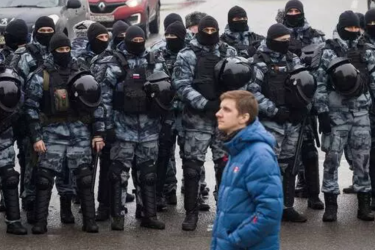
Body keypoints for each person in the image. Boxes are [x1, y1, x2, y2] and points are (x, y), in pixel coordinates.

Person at [25, 32, 105, 234]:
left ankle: (89, 221)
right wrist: (36, 137)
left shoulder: (81, 71)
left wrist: (98, 133)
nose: (65, 53)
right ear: (53, 51)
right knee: (44, 179)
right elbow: (31, 108)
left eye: (67, 49)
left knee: (85, 178)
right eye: (60, 50)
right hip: (52, 131)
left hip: (78, 130)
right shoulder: (41, 75)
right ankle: (41, 223)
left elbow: (96, 103)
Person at [93, 25, 169, 230]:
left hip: (149, 128)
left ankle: (148, 214)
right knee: (118, 174)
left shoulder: (155, 61)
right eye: (133, 40)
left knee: (148, 174)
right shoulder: (113, 63)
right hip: (122, 129)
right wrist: (105, 127)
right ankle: (117, 217)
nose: (137, 44)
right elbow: (104, 100)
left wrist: (164, 120)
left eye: (140, 40)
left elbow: (165, 92)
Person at [172, 15, 236, 231]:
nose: (209, 34)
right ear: (199, 30)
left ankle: (225, 213)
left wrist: (226, 104)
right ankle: (191, 214)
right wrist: (204, 103)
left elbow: (243, 81)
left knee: (225, 167)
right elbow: (180, 84)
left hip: (224, 121)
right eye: (205, 30)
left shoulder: (229, 52)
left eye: (213, 30)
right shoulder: (187, 54)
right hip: (196, 120)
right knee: (191, 169)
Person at [314, 10, 375, 222]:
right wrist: (321, 113)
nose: (353, 32)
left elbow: (373, 79)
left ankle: (364, 205)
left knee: (362, 160)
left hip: (361, 113)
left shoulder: (366, 50)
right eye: (349, 28)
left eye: (356, 28)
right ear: (341, 27)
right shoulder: (328, 50)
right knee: (332, 160)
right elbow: (319, 84)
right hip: (335, 114)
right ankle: (331, 205)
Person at [248, 23, 309, 223]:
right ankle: (263, 208)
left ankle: (286, 206)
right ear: (272, 41)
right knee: (267, 166)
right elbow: (252, 92)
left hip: (292, 121)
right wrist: (274, 110)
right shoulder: (259, 62)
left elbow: (304, 82)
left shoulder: (292, 59)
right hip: (270, 123)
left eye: (288, 41)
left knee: (289, 164)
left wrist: (302, 106)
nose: (286, 44)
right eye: (281, 41)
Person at [211, 90, 283, 250]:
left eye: (226, 110)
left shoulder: (259, 155)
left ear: (244, 117)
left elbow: (269, 212)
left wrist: (234, 240)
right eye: (220, 108)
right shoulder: (238, 149)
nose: (218, 114)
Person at [282, 0, 325, 209]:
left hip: (308, 98)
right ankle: (291, 191)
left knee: (309, 149)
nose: (292, 14)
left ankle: (313, 193)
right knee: (289, 151)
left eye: (296, 11)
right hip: (287, 99)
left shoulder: (315, 36)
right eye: (289, 11)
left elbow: (320, 70)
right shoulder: (279, 33)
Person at [0, 63, 28, 235]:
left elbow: (19, 100)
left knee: (10, 178)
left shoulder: (9, 74)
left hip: (3, 134)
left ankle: (14, 221)